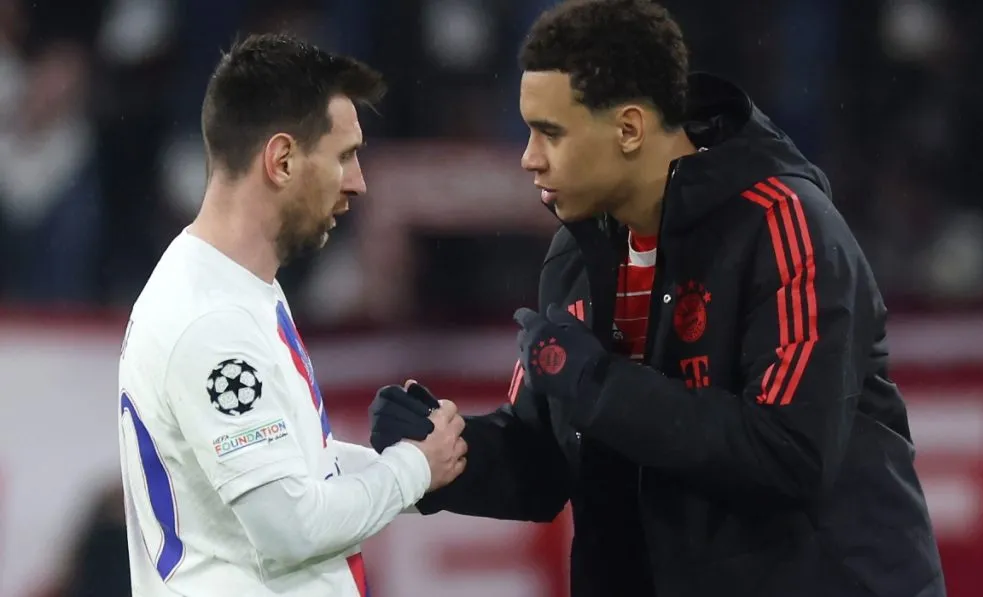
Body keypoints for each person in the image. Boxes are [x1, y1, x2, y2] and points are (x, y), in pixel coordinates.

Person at [368, 1, 946, 596]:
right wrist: (438, 456)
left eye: (551, 132)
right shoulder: (576, 255)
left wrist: (596, 385)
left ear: (628, 129)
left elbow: (788, 453)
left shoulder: (784, 226)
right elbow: (544, 462)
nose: (528, 156)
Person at [117, 33, 467, 597]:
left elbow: (298, 469)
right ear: (281, 160)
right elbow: (291, 526)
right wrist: (411, 471)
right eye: (345, 156)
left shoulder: (234, 284)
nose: (358, 181)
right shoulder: (211, 322)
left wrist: (411, 463)